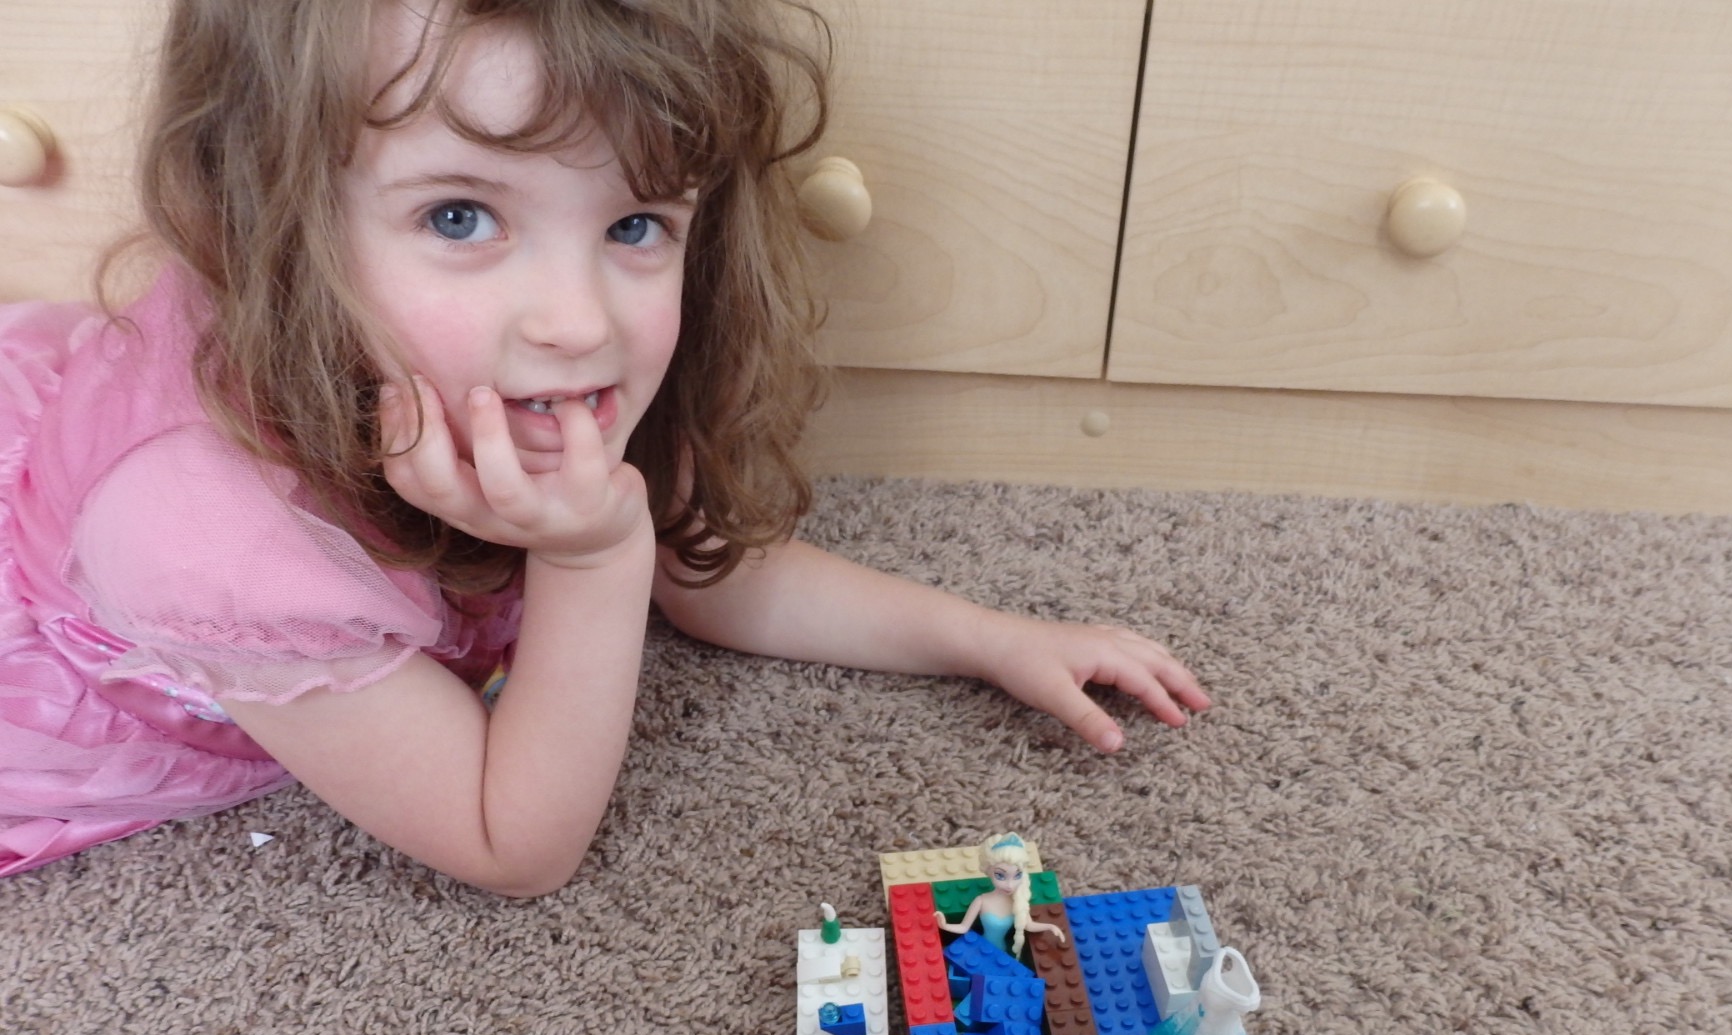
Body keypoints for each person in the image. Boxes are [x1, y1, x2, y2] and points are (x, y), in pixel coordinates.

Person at [0, 0, 1210, 892]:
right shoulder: (205, 537)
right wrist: (591, 561)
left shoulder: (533, 355)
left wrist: (989, 640)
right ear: (265, 214)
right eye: (461, 215)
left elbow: (715, 575)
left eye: (636, 222)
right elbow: (509, 842)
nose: (578, 319)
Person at [935, 833, 1065, 958]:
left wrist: (1050, 926)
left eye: (1017, 875)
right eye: (1000, 876)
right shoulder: (982, 900)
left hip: (1001, 951)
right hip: (982, 948)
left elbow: (1029, 925)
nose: (1009, 885)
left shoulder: (1018, 902)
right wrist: (944, 925)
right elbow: (964, 927)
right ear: (989, 872)